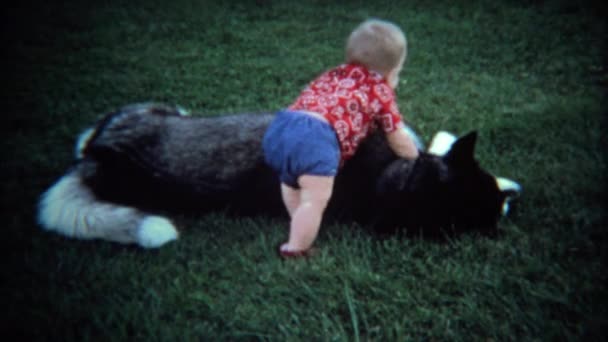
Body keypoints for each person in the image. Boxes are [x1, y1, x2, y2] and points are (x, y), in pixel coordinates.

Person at [263, 19, 419, 258]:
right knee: (314, 201)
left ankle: (300, 222)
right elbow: (397, 137)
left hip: (282, 126)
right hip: (316, 138)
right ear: (391, 72)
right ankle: (296, 248)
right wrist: (415, 155)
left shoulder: (334, 74)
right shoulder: (381, 89)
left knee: (292, 184)